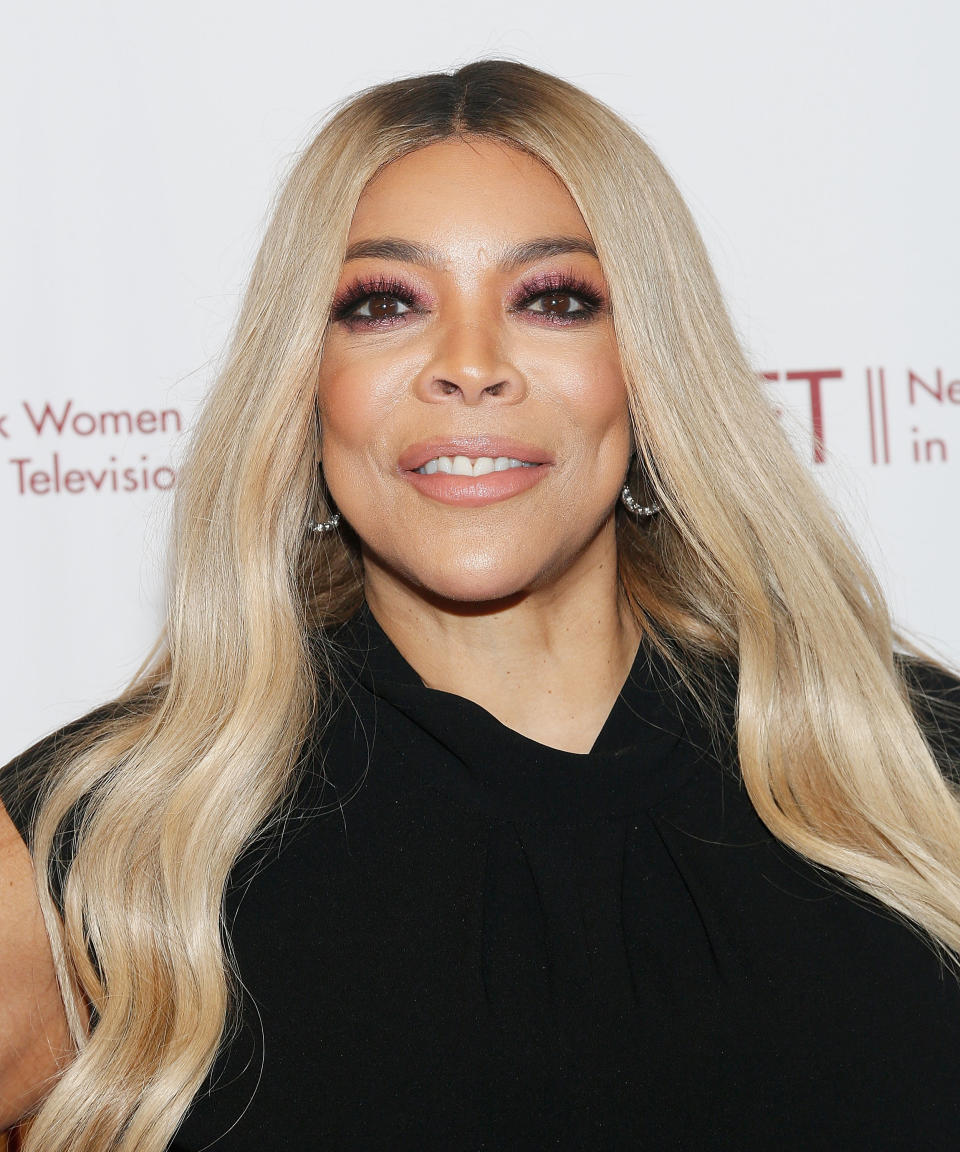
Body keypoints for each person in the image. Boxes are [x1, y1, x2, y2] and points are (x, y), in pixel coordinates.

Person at [2, 59, 960, 1152]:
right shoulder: (115, 848)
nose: (469, 365)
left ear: (648, 372)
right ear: (305, 389)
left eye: (553, 300)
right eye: (382, 304)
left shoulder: (916, 782)